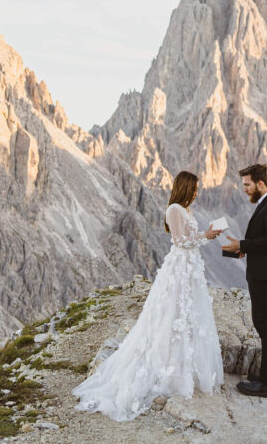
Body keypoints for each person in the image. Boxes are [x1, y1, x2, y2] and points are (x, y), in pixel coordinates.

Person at [72, 170, 225, 421]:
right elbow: (179, 241)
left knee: (186, 316)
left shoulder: (186, 210)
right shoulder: (175, 209)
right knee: (171, 315)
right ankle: (166, 368)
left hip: (189, 269)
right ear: (185, 187)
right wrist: (204, 236)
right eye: (194, 188)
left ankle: (180, 367)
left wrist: (206, 234)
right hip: (178, 269)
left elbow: (190, 239)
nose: (197, 193)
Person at [222, 163, 267, 398]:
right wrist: (244, 249)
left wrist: (242, 245)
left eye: (248, 185)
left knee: (264, 325)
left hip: (265, 273)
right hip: (262, 269)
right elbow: (264, 239)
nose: (245, 189)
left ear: (260, 184)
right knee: (264, 324)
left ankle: (265, 384)